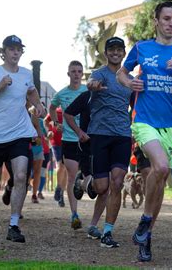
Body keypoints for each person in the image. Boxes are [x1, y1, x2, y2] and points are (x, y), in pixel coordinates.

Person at [117, 1, 172, 262]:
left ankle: (146, 236)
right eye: (166, 18)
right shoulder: (142, 48)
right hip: (144, 121)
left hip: (171, 125)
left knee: (159, 181)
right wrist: (130, 82)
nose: (171, 23)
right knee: (163, 167)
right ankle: (145, 219)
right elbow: (122, 72)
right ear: (156, 20)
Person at [0, 35, 44, 243]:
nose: (15, 52)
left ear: (22, 52)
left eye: (18, 49)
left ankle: (14, 225)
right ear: (3, 52)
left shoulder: (26, 74)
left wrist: (38, 104)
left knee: (21, 176)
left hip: (20, 134)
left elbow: (31, 92)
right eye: (11, 49)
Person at [82, 36, 134, 248]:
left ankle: (107, 232)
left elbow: (135, 102)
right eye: (111, 50)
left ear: (123, 53)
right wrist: (93, 86)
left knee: (118, 183)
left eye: (119, 50)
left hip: (122, 134)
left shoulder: (129, 78)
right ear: (106, 54)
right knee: (101, 187)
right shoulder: (100, 74)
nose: (115, 53)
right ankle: (84, 181)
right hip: (100, 134)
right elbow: (91, 83)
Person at [64, 90, 107, 241]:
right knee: (93, 189)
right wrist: (79, 132)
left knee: (104, 188)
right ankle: (81, 182)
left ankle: (93, 226)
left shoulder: (115, 96)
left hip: (106, 145)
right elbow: (68, 114)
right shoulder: (86, 96)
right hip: (87, 146)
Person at [49, 61, 86, 229]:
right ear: (68, 74)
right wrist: (56, 123)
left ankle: (81, 181)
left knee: (87, 176)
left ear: (82, 74)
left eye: (79, 71)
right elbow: (51, 108)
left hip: (87, 139)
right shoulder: (61, 94)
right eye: (73, 71)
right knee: (71, 176)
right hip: (69, 140)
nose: (76, 74)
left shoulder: (87, 91)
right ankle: (74, 215)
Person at [44, 107, 65, 206]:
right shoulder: (56, 111)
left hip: (69, 142)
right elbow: (46, 120)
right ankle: (58, 188)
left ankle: (61, 194)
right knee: (60, 165)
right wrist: (48, 131)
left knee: (66, 168)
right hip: (56, 142)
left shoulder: (74, 110)